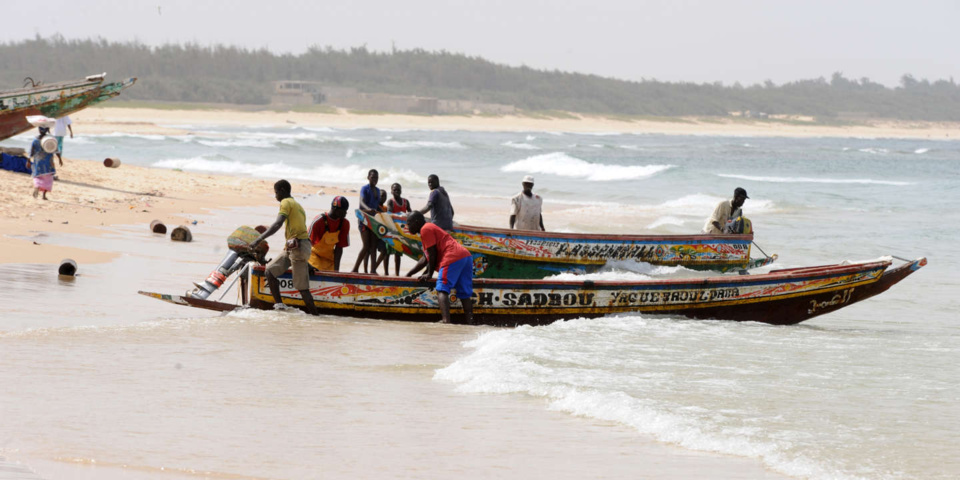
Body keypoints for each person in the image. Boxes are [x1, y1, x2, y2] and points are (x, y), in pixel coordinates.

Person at [250, 180, 318, 315]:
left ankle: (317, 317)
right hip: (295, 247)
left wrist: (259, 239)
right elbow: (299, 230)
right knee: (269, 271)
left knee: (302, 288)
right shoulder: (298, 206)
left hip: (297, 248)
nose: (275, 196)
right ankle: (280, 306)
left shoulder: (285, 202)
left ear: (282, 191)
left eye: (276, 193)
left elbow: (277, 224)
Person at [406, 211, 474, 324]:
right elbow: (425, 258)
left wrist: (429, 274)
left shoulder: (425, 229)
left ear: (417, 222)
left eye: (409, 223)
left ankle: (446, 321)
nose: (408, 227)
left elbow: (432, 254)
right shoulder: (429, 227)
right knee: (464, 293)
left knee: (442, 288)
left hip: (452, 257)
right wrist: (409, 274)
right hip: (465, 257)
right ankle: (470, 322)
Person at [308, 196, 350, 271]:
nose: (345, 213)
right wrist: (306, 265)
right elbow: (306, 243)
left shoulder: (345, 223)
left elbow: (339, 248)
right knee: (316, 271)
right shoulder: (319, 221)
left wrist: (336, 271)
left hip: (329, 259)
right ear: (335, 209)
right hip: (314, 256)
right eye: (343, 210)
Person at [351, 169, 382, 274]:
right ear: (368, 177)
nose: (375, 179)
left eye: (376, 178)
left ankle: (373, 270)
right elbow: (362, 203)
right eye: (373, 177)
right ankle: (355, 269)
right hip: (364, 219)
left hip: (373, 221)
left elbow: (377, 205)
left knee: (374, 246)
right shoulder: (364, 188)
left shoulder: (378, 191)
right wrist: (368, 209)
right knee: (366, 246)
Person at [385, 182, 412, 275]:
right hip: (391, 230)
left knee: (398, 253)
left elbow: (411, 213)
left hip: (401, 232)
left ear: (401, 191)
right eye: (394, 189)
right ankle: (386, 273)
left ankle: (397, 273)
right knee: (387, 253)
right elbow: (389, 214)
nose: (396, 191)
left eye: (398, 189)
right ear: (391, 191)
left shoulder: (406, 202)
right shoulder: (390, 202)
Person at [27, 126, 58, 200]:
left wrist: (28, 160)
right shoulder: (50, 139)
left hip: (38, 161)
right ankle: (44, 196)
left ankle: (37, 186)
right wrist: (60, 159)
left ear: (39, 130)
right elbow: (56, 149)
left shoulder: (35, 140)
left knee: (37, 176)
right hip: (48, 162)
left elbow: (31, 151)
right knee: (48, 179)